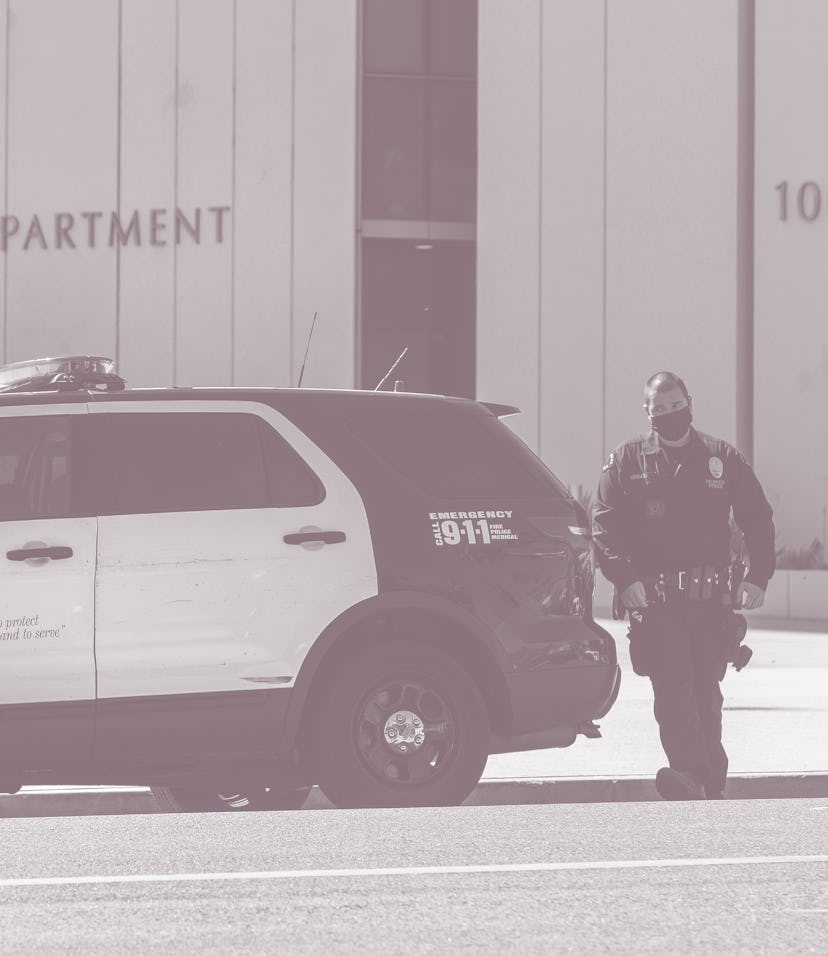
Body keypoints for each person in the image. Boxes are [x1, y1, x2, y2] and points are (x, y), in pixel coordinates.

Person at [592, 371, 775, 800]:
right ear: (648, 412)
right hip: (655, 602)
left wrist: (757, 576)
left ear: (689, 402)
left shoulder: (721, 458)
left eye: (677, 406)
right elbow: (603, 525)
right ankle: (688, 773)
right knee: (673, 689)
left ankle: (711, 779)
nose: (670, 415)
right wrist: (625, 579)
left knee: (707, 691)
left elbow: (757, 518)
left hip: (711, 601)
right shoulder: (627, 460)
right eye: (660, 410)